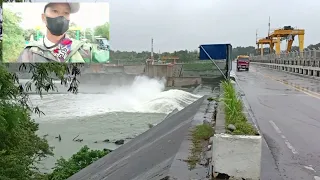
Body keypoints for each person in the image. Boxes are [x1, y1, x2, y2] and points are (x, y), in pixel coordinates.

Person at [18, 3, 92, 63]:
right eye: (55, 11)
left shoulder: (83, 50)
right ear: (44, 18)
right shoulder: (29, 53)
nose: (61, 17)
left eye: (66, 12)